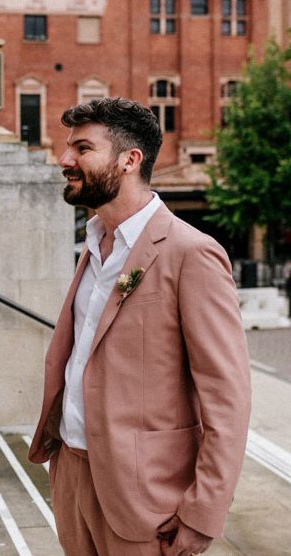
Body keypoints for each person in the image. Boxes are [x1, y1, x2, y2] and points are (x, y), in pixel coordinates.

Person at [28, 97, 251, 556]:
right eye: (69, 147)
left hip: (148, 497)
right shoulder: (92, 243)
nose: (65, 159)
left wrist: (203, 511)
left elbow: (227, 398)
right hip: (72, 475)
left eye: (82, 148)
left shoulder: (192, 253)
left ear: (130, 160)